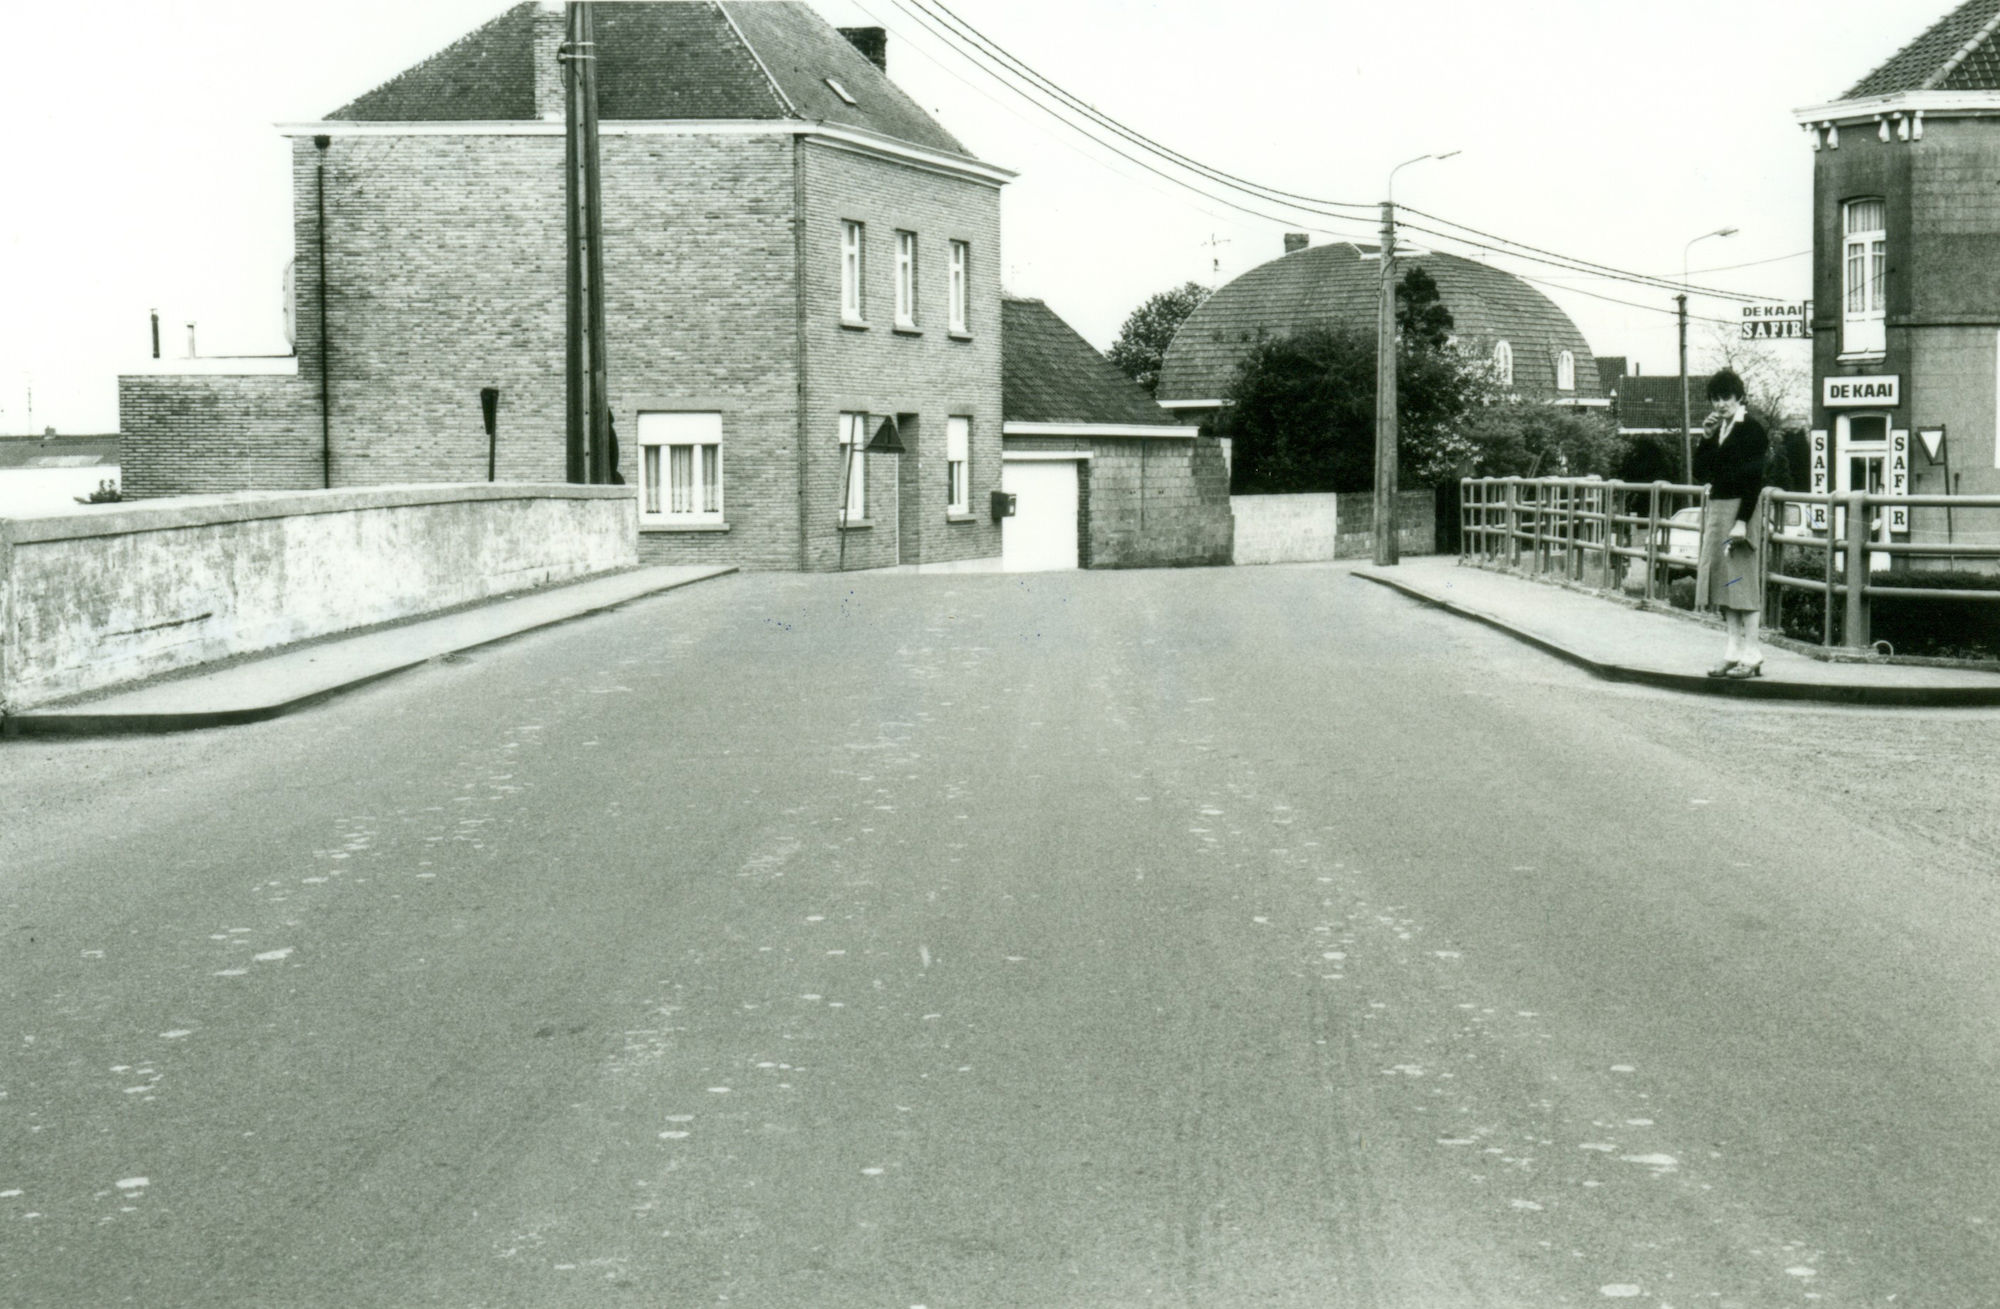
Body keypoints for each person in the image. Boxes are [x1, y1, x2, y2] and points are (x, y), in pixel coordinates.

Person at [1691, 369, 1768, 678]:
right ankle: (1733, 650)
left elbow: (1754, 481)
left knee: (1743, 583)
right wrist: (1706, 440)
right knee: (1725, 583)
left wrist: (1741, 522)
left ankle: (1753, 652)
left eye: (1726, 397)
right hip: (1719, 509)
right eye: (1715, 398)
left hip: (1740, 510)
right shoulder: (1719, 429)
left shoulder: (1752, 430)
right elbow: (1701, 472)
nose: (1721, 404)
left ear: (1739, 397)